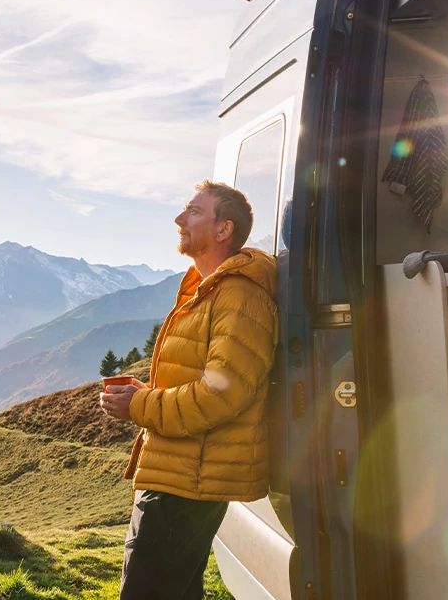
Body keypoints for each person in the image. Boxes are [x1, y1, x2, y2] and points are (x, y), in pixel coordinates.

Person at [100, 179, 278, 600]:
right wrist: (148, 394)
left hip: (189, 480)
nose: (179, 219)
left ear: (224, 230)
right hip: (178, 471)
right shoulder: (207, 289)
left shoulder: (238, 296)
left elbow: (223, 394)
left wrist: (141, 403)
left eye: (194, 212)